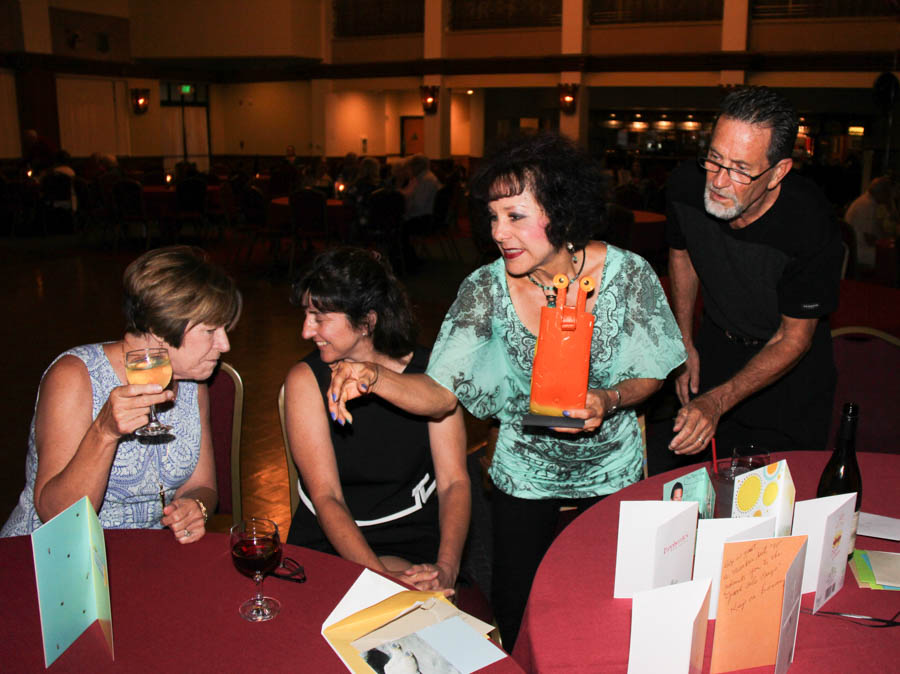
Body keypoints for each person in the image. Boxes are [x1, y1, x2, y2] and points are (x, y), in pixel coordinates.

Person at [328, 132, 685, 648]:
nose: (499, 231)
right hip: (524, 472)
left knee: (610, 609)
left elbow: (653, 370)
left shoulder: (627, 276)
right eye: (493, 216)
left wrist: (609, 399)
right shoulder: (485, 289)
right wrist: (375, 375)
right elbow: (440, 394)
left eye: (515, 216)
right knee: (517, 613)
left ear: (560, 214)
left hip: (613, 470)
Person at [1, 246, 242, 542]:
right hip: (51, 559)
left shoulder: (193, 384)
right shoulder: (75, 376)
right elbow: (55, 514)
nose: (225, 344)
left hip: (146, 558)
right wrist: (104, 432)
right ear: (158, 328)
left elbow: (203, 485)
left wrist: (196, 506)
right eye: (210, 330)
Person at [666, 86, 844, 458]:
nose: (717, 181)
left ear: (778, 171)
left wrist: (718, 402)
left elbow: (793, 339)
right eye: (714, 159)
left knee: (778, 497)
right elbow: (682, 255)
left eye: (740, 170)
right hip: (716, 345)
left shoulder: (810, 222)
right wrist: (684, 341)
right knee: (698, 483)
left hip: (788, 372)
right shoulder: (686, 185)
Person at [284, 248, 469, 594]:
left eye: (319, 317)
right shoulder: (306, 380)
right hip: (331, 540)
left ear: (367, 322)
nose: (307, 331)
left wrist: (447, 567)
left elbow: (453, 483)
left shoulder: (432, 375)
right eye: (307, 315)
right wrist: (380, 579)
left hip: (414, 536)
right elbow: (327, 498)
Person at [845, 176, 898, 269]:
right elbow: (869, 238)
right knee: (891, 259)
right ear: (882, 193)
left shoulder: (868, 203)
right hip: (859, 251)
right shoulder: (866, 206)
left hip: (858, 248)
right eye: (888, 194)